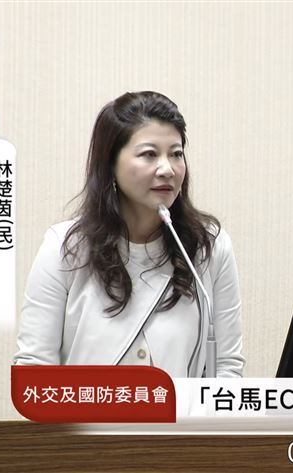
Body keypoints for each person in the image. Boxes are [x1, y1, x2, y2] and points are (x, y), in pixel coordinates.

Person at [14, 91, 244, 377]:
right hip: (86, 408)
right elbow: (34, 371)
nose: (167, 169)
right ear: (111, 163)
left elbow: (227, 367)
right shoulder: (65, 247)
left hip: (180, 409)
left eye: (176, 154)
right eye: (149, 154)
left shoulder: (209, 247)